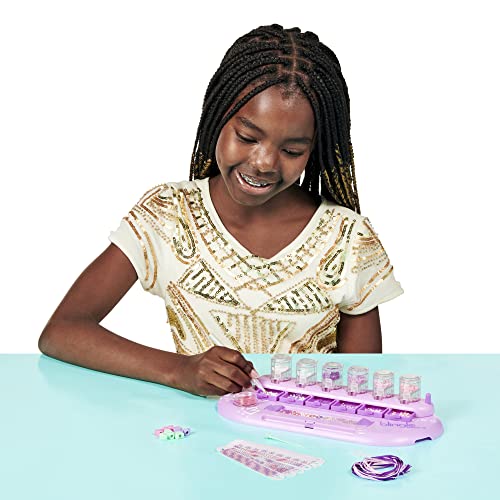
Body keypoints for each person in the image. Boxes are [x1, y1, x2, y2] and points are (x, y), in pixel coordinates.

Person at [39, 24, 403, 397]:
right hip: (191, 430)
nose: (264, 163)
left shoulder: (347, 239)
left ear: (314, 148)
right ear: (217, 119)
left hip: (307, 432)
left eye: (292, 151)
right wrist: (179, 370)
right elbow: (63, 331)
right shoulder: (169, 216)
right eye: (247, 137)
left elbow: (363, 389)